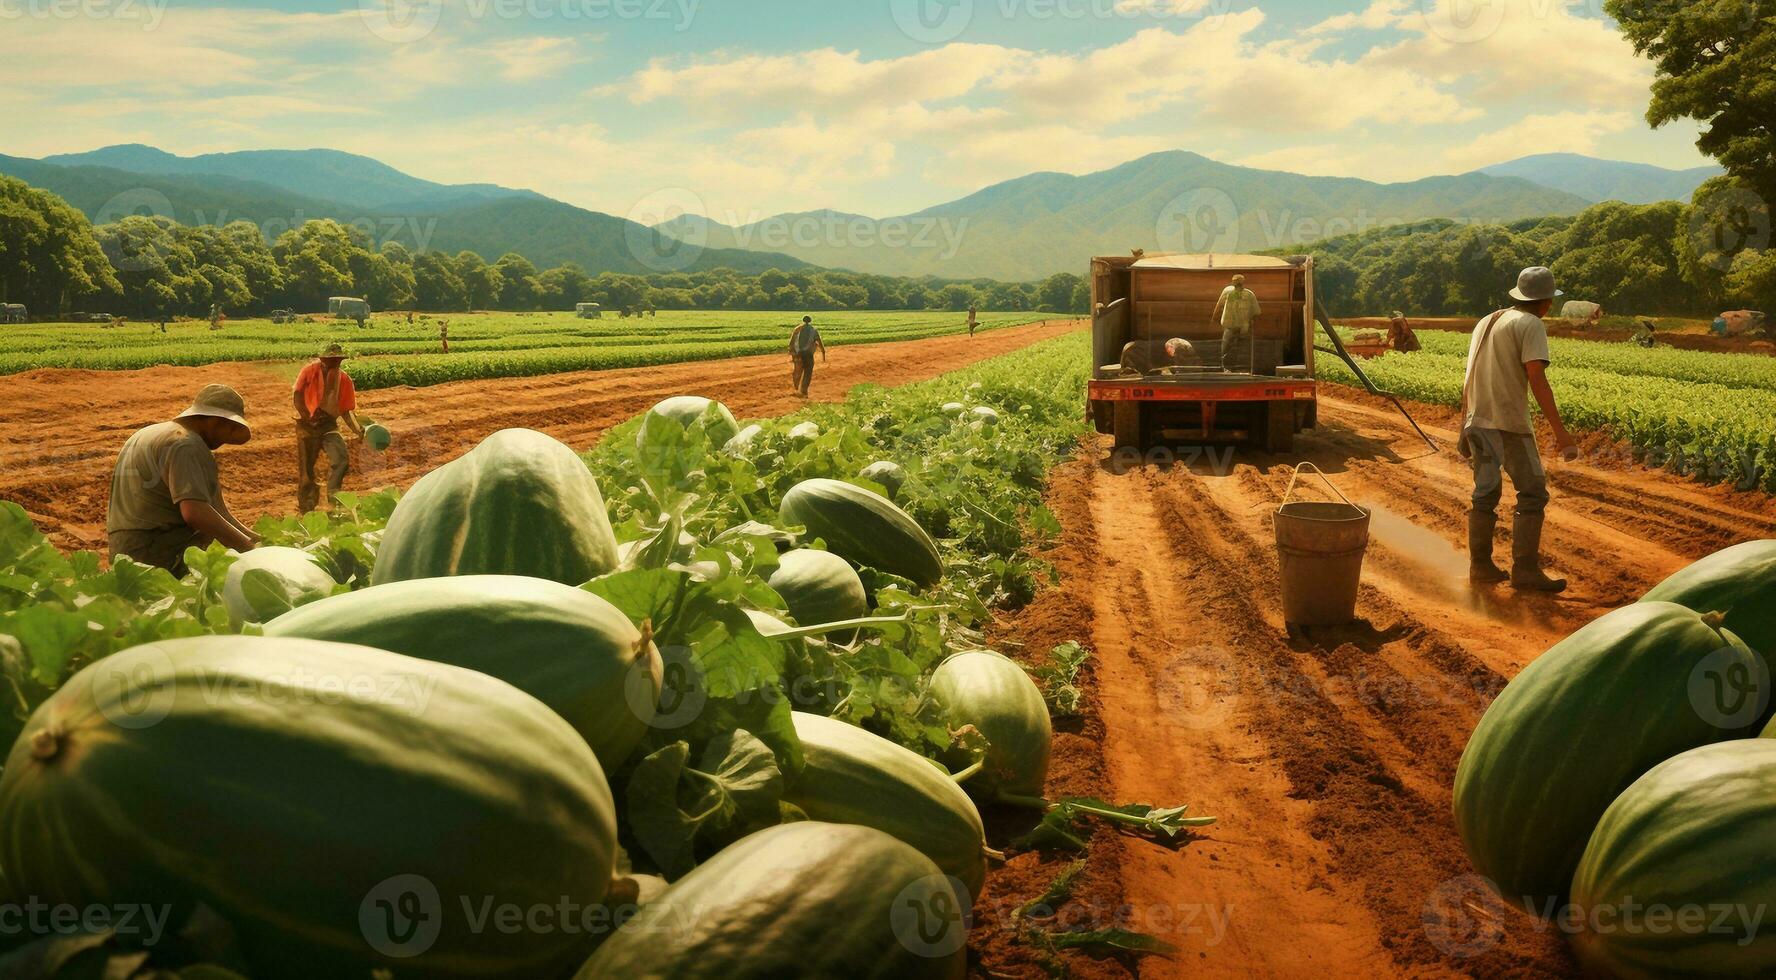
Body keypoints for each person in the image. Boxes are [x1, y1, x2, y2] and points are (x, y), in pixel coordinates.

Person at [1460, 267, 1580, 593]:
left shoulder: (1486, 321)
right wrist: (1561, 433)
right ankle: (1525, 570)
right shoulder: (1531, 325)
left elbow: (1469, 376)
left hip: (1478, 421)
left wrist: (1463, 425)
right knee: (1532, 492)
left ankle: (1480, 566)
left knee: (1485, 494)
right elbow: (1536, 378)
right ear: (1544, 302)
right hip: (1509, 423)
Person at [107, 384, 259, 574]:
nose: (224, 442)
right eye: (228, 429)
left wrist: (257, 540)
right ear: (215, 421)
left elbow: (218, 511)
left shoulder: (151, 433)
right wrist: (251, 551)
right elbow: (195, 513)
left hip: (124, 549)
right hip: (157, 550)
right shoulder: (185, 443)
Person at [293, 342, 367, 514]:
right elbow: (297, 395)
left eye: (337, 360)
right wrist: (306, 416)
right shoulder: (309, 371)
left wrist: (357, 430)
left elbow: (346, 411)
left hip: (328, 425)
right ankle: (307, 507)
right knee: (306, 472)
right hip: (307, 426)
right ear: (323, 359)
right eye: (330, 360)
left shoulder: (345, 380)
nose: (334, 363)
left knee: (341, 459)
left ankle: (334, 499)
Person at [1212, 274, 1261, 373]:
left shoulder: (1244, 294)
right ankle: (1233, 369)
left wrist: (1214, 318)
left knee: (1231, 348)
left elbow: (1256, 312)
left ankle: (1234, 369)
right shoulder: (1246, 294)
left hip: (1236, 326)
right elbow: (1256, 312)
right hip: (1236, 326)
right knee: (1232, 348)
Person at [789, 316, 827, 397]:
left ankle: (796, 387)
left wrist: (791, 352)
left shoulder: (797, 329)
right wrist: (823, 352)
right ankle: (803, 390)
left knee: (797, 370)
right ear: (810, 321)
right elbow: (819, 341)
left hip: (798, 353)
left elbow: (791, 341)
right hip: (808, 355)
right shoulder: (813, 330)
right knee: (808, 372)